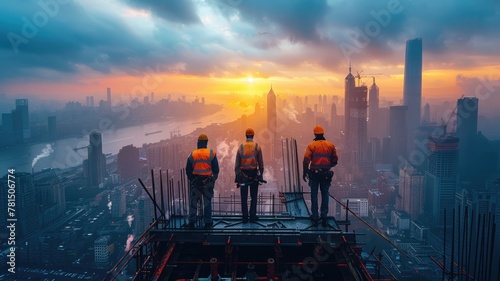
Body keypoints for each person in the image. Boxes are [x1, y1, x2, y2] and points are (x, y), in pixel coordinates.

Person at [303, 125, 338, 227]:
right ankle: (324, 217)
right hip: (326, 174)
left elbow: (306, 159)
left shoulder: (311, 145)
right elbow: (335, 160)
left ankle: (315, 217)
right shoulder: (330, 145)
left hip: (314, 174)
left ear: (314, 134)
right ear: (323, 133)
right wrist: (328, 166)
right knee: (325, 194)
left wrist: (305, 171)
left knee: (314, 194)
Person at [186, 133, 219, 229]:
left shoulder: (192, 154)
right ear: (206, 143)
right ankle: (208, 222)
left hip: (196, 182)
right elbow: (216, 170)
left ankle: (192, 222)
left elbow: (188, 170)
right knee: (207, 202)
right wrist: (212, 180)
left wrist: (192, 180)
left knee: (193, 202)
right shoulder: (211, 153)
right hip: (207, 182)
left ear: (198, 143)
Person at [235, 128, 264, 223]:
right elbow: (260, 163)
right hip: (254, 175)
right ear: (253, 135)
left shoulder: (241, 147)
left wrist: (237, 176)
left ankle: (244, 217)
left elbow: (237, 164)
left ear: (246, 135)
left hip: (243, 175)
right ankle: (252, 216)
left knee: (244, 196)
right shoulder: (257, 146)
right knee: (253, 196)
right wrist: (260, 174)